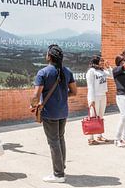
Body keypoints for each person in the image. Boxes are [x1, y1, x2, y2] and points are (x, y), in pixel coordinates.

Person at [30, 44, 77, 183]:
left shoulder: (43, 73)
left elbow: (35, 95)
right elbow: (74, 92)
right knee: (60, 138)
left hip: (49, 113)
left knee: (54, 142)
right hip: (63, 111)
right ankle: (61, 167)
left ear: (50, 56)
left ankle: (58, 174)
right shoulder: (67, 71)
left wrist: (33, 106)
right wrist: (62, 96)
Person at [86, 55, 113, 145]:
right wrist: (91, 100)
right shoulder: (91, 72)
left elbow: (112, 76)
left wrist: (109, 67)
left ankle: (99, 135)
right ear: (95, 62)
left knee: (101, 116)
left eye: (103, 61)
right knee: (93, 117)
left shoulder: (102, 71)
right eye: (101, 61)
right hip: (95, 97)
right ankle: (90, 138)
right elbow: (90, 87)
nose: (102, 63)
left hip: (103, 95)